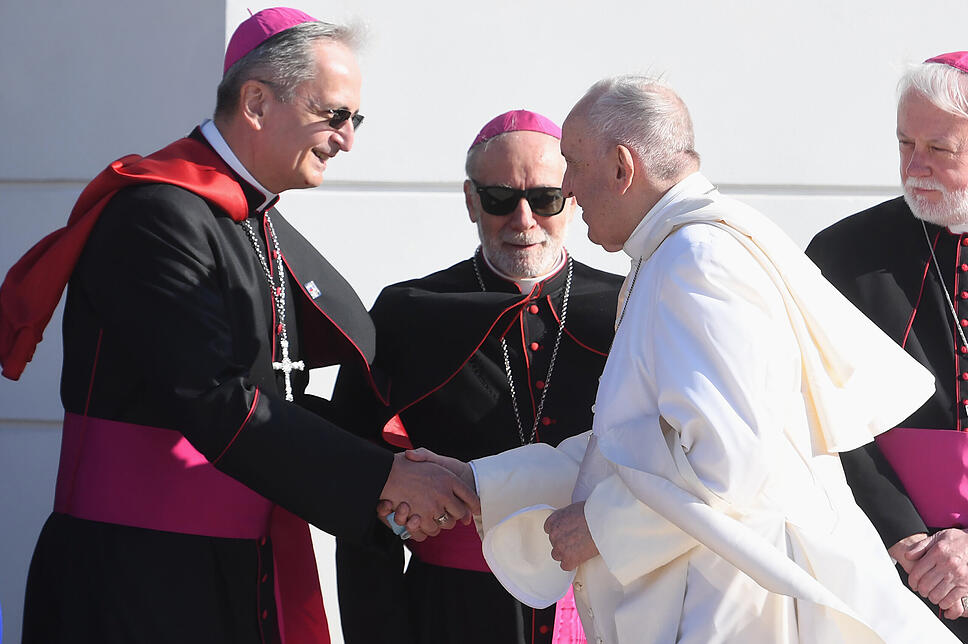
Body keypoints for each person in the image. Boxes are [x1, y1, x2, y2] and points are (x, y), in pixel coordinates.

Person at [409, 75, 961, 643]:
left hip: (736, 608)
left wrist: (602, 526)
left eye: (573, 163)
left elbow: (730, 461)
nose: (569, 187)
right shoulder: (674, 250)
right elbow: (633, 446)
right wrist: (482, 481)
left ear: (622, 168)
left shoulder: (698, 259)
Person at [0, 8, 477, 644]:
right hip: (137, 579)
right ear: (256, 103)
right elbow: (213, 396)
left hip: (235, 566)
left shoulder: (251, 217)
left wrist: (397, 460)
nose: (346, 140)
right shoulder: (158, 215)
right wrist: (383, 479)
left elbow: (275, 394)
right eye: (334, 115)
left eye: (355, 120)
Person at [332, 110, 622, 644]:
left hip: (603, 607)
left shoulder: (627, 306)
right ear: (471, 201)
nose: (523, 219)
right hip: (452, 612)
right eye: (499, 199)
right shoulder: (408, 313)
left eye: (545, 199)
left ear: (572, 196)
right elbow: (361, 495)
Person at [806, 51, 968, 640]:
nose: (914, 165)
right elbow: (815, 410)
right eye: (905, 143)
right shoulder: (843, 254)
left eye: (939, 148)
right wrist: (904, 536)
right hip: (885, 564)